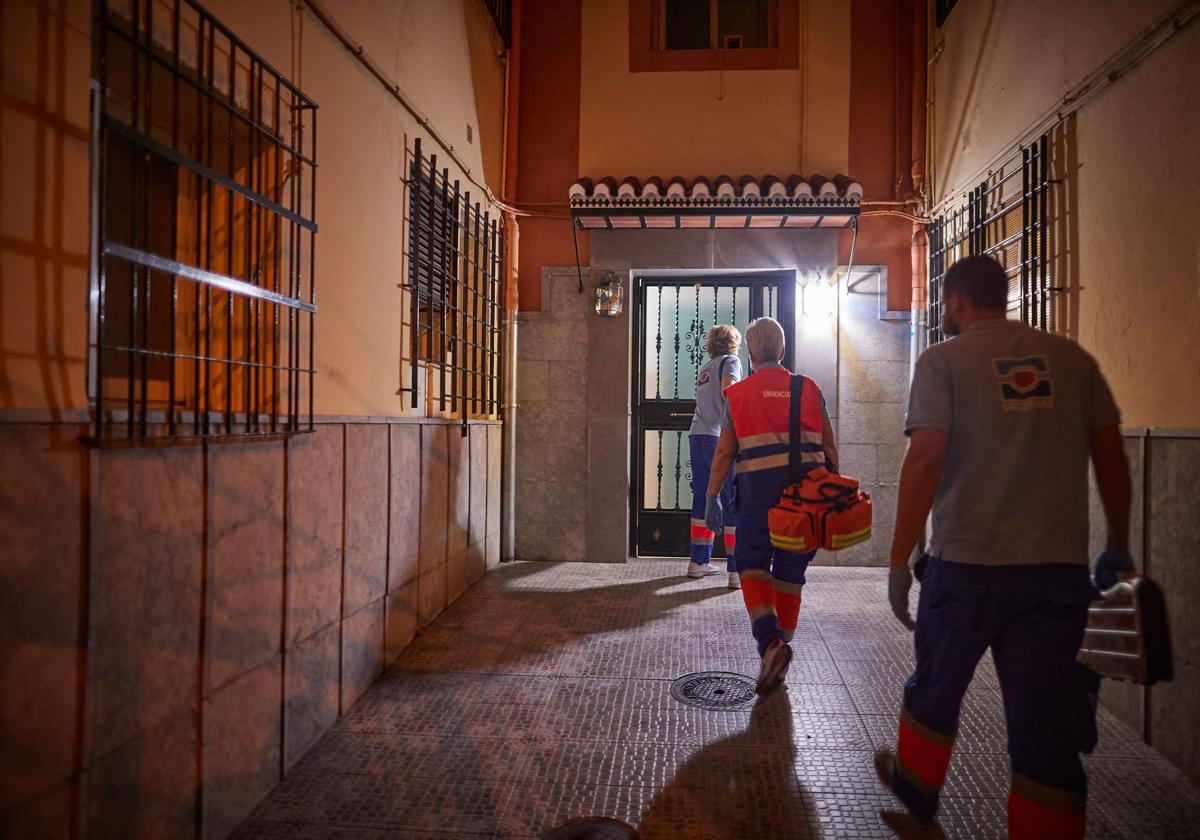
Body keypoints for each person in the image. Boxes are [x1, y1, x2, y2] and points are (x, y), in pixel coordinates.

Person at [877, 255, 1132, 839]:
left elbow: (925, 460)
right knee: (1048, 729)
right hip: (1055, 577)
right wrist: (1118, 542)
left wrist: (898, 559)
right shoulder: (1073, 361)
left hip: (965, 566)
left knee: (935, 686)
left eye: (945, 304)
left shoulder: (942, 361)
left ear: (958, 302)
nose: (944, 313)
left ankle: (916, 788)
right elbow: (1112, 459)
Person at [704, 317, 840, 694]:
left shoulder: (739, 395)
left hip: (757, 501)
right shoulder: (810, 389)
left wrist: (711, 496)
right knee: (791, 573)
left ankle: (771, 643)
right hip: (806, 501)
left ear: (750, 354)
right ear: (782, 351)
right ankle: (783, 641)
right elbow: (830, 448)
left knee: (752, 565)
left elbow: (724, 453)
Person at [687, 325, 742, 586]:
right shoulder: (731, 362)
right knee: (730, 498)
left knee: (703, 494)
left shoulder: (706, 368)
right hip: (719, 436)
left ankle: (698, 562)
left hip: (697, 434)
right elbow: (730, 390)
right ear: (733, 343)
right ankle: (735, 569)